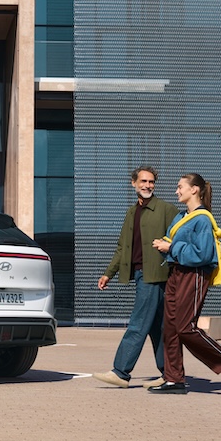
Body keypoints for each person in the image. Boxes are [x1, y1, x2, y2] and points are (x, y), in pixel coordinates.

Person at [147, 172, 221, 395]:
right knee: (170, 328)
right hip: (176, 273)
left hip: (193, 275)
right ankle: (174, 379)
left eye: (180, 187)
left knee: (185, 327)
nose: (176, 191)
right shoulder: (181, 217)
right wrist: (164, 245)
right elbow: (173, 244)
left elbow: (203, 254)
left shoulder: (202, 219)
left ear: (194, 190)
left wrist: (171, 247)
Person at [91, 165, 172, 385]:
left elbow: (180, 238)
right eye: (143, 181)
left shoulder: (166, 209)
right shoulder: (131, 212)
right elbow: (123, 247)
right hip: (139, 273)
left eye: (151, 182)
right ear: (133, 183)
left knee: (138, 323)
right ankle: (170, 374)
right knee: (157, 327)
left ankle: (121, 372)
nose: (148, 185)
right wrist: (109, 273)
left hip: (154, 275)